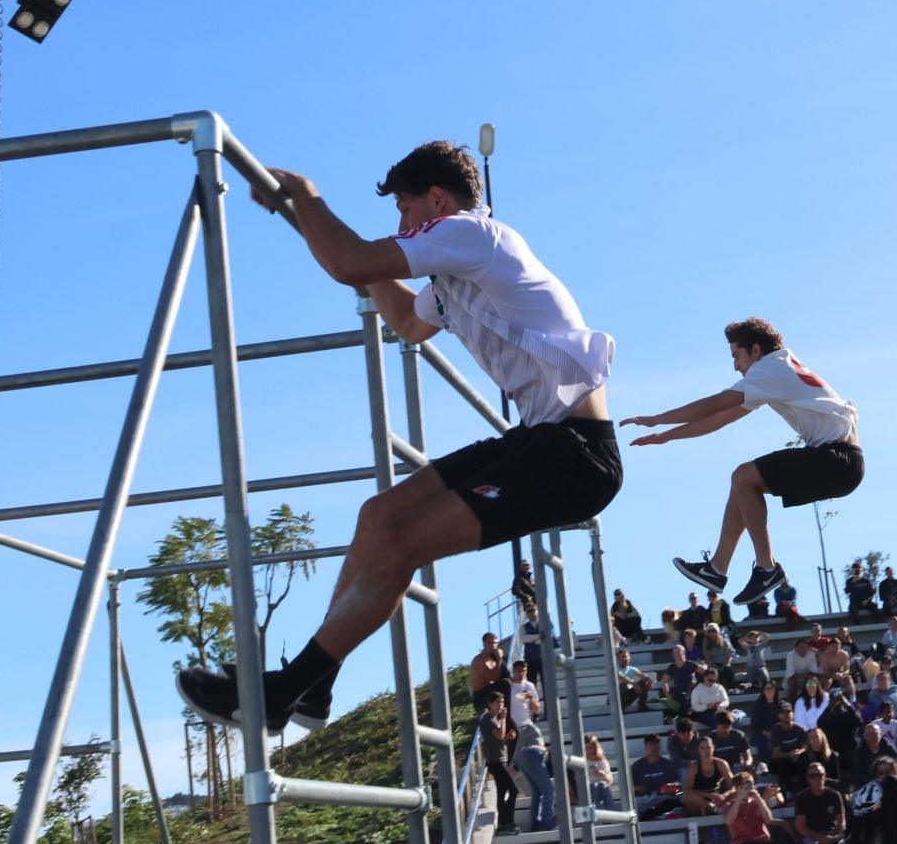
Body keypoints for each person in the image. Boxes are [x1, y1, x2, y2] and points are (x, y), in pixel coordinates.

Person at [178, 142, 619, 733]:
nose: (403, 227)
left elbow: (349, 262)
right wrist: (305, 220)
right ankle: (315, 689)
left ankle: (285, 689)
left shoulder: (471, 234)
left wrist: (307, 196)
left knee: (400, 542)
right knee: (378, 516)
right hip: (539, 439)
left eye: (405, 209)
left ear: (436, 199)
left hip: (577, 454)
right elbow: (407, 320)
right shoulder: (454, 272)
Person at [625, 318, 862, 606]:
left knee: (744, 476)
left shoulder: (770, 369)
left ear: (756, 350)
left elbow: (714, 404)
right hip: (843, 463)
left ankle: (767, 568)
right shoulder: (778, 369)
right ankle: (717, 569)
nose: (736, 366)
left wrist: (657, 418)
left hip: (836, 460)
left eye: (737, 355)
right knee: (742, 484)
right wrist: (665, 436)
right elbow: (720, 418)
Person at [793, 762, 849, 844]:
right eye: (812, 776)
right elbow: (801, 828)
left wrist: (831, 837)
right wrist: (820, 838)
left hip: (833, 834)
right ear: (807, 779)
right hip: (811, 837)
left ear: (825, 776)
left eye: (820, 775)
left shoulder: (834, 795)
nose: (817, 779)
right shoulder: (801, 798)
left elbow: (842, 823)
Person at [479, 693, 520, 834]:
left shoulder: (494, 718)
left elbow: (500, 739)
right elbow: (499, 735)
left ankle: (503, 825)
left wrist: (507, 737)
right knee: (513, 790)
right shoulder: (487, 719)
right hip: (495, 762)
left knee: (502, 793)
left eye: (502, 702)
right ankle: (509, 822)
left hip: (500, 759)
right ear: (489, 704)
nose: (500, 705)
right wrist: (503, 719)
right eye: (497, 702)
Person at [514, 716, 556, 831]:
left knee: (536, 792)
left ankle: (535, 824)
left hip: (521, 757)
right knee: (548, 790)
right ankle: (546, 822)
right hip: (534, 754)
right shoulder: (554, 759)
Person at [681, 735, 734, 817]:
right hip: (699, 797)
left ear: (713, 748)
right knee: (688, 796)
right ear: (698, 750)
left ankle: (718, 809)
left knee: (739, 791)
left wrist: (724, 795)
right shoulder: (693, 766)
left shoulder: (721, 764)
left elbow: (734, 785)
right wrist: (709, 795)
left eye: (708, 747)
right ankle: (713, 809)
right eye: (702, 748)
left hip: (717, 796)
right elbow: (688, 789)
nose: (706, 751)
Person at [849, 722, 897, 790]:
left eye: (875, 734)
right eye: (869, 735)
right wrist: (876, 783)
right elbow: (858, 774)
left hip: (889, 782)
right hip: (868, 785)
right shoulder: (859, 752)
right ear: (864, 737)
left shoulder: (890, 749)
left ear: (881, 735)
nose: (873, 737)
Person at [630, 734, 674, 811]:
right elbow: (629, 788)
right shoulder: (637, 766)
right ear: (646, 747)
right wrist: (637, 788)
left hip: (663, 798)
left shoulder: (667, 764)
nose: (655, 747)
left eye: (657, 744)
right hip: (644, 800)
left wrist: (670, 787)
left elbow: (676, 783)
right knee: (637, 803)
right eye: (652, 744)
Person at [818, 687, 863, 758]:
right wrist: (830, 706)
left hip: (850, 749)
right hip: (835, 751)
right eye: (834, 699)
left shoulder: (848, 713)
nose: (837, 702)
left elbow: (859, 721)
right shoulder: (828, 716)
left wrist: (847, 703)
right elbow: (820, 724)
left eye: (839, 699)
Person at [469, 633, 509, 711]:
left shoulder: (494, 658)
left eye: (495, 643)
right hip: (481, 697)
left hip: (493, 693)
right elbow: (493, 679)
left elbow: (506, 675)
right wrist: (499, 659)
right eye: (490, 643)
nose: (493, 645)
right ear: (484, 644)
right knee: (505, 683)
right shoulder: (479, 660)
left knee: (509, 681)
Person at [710, 711, 753, 776]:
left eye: (728, 727)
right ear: (717, 725)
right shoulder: (711, 739)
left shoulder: (738, 735)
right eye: (723, 727)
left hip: (738, 768)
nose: (726, 730)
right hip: (720, 770)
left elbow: (748, 756)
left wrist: (746, 765)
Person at [584, 734, 619, 811]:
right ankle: (596, 812)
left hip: (600, 787)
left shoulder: (601, 760)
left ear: (596, 747)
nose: (589, 751)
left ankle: (611, 811)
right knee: (594, 786)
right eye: (586, 748)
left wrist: (603, 774)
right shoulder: (581, 760)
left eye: (591, 748)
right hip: (586, 788)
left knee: (602, 785)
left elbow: (609, 779)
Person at [508, 659, 542, 736]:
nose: (521, 673)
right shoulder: (508, 685)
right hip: (512, 728)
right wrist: (522, 696)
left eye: (524, 671)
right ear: (513, 671)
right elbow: (511, 699)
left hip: (527, 725)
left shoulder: (529, 686)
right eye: (519, 670)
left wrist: (531, 699)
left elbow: (537, 710)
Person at [518, 600, 547, 685]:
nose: (531, 613)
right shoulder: (523, 627)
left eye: (533, 610)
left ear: (537, 610)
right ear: (526, 614)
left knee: (547, 684)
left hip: (544, 658)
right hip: (530, 660)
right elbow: (524, 639)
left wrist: (532, 639)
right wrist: (539, 636)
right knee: (531, 684)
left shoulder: (544, 624)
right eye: (529, 611)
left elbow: (547, 638)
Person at [615, 647, 654, 712]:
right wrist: (634, 684)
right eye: (622, 657)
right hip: (616, 698)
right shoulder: (615, 668)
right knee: (624, 685)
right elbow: (621, 677)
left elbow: (643, 676)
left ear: (629, 657)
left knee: (643, 682)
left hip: (628, 696)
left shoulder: (633, 669)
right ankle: (620, 709)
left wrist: (649, 680)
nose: (625, 659)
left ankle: (642, 705)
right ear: (618, 659)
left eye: (626, 656)